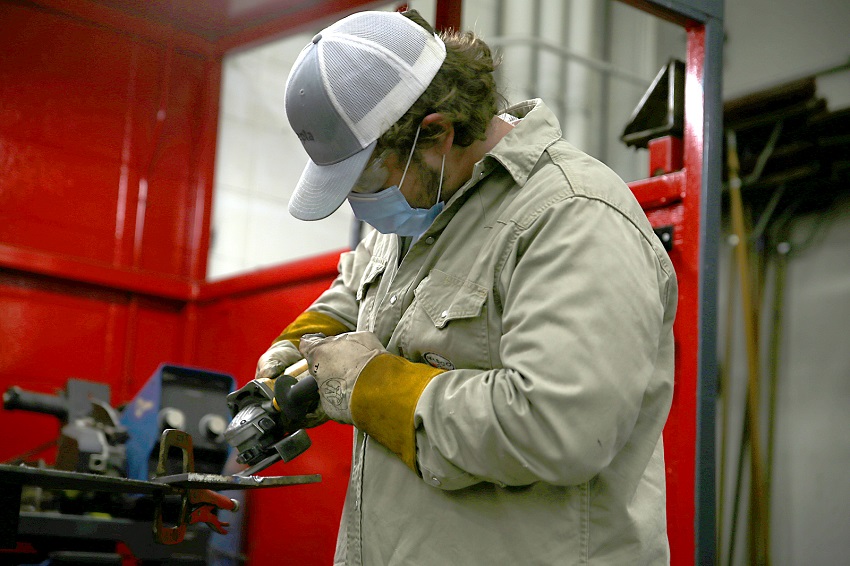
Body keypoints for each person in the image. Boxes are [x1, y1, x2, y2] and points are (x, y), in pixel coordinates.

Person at [256, 9, 677, 565]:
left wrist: (371, 388)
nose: (361, 204)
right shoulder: (425, 206)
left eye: (366, 180)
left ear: (435, 132)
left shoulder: (571, 214)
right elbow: (358, 291)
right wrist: (303, 346)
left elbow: (557, 426)